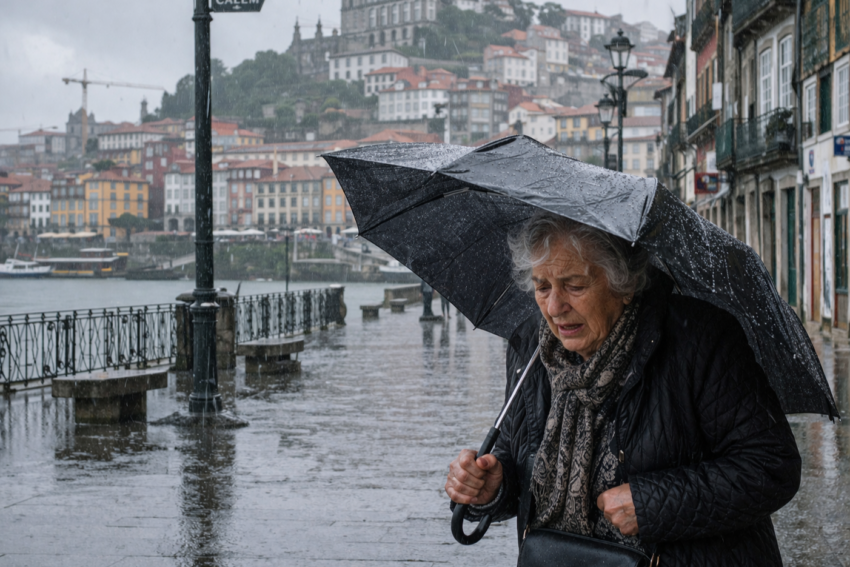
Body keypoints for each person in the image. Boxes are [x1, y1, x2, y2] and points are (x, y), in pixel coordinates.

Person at [445, 212, 801, 565]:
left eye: (575, 286)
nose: (554, 308)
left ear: (625, 285)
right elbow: (520, 456)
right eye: (542, 287)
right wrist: (494, 484)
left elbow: (771, 466)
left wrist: (651, 504)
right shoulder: (531, 349)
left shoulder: (701, 340)